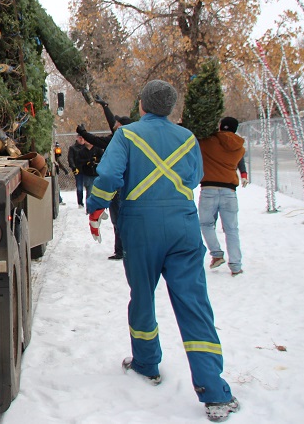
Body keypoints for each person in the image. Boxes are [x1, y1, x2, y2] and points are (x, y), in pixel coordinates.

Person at [85, 80, 240, 423]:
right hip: (183, 226)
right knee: (194, 304)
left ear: (141, 104)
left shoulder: (127, 135)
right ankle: (214, 392)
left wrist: (95, 206)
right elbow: (196, 176)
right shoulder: (187, 138)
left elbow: (109, 176)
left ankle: (146, 364)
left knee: (142, 296)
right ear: (170, 108)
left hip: (141, 227)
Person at [78, 95, 134, 260]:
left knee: (119, 219)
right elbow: (112, 123)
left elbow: (96, 140)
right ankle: (124, 249)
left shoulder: (117, 140)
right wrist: (105, 106)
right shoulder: (126, 137)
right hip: (128, 185)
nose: (113, 124)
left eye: (117, 123)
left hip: (119, 186)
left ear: (121, 127)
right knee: (123, 219)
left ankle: (122, 250)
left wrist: (83, 132)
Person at [198, 116, 248, 276]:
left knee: (206, 224)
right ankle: (236, 265)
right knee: (232, 229)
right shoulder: (240, 148)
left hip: (209, 189)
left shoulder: (207, 142)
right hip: (229, 191)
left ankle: (217, 254)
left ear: (220, 126)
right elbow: (240, 163)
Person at [68, 135, 101, 207]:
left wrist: (94, 161)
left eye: (83, 138)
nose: (82, 139)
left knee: (94, 190)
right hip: (79, 170)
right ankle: (80, 203)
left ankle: (95, 207)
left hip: (93, 172)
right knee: (80, 188)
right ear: (77, 138)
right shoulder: (74, 148)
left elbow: (101, 157)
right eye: (80, 137)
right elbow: (72, 159)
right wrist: (74, 167)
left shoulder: (96, 149)